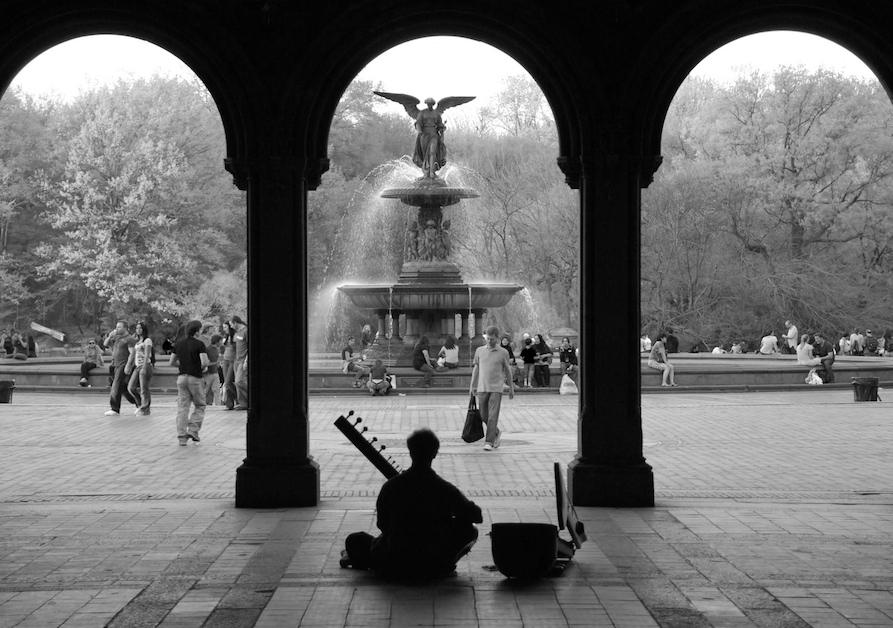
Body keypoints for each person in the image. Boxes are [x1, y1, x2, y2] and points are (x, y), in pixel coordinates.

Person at [340, 427, 482, 577]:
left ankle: (362, 560)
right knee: (470, 529)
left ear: (410, 452)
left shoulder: (391, 486)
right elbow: (476, 516)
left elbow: (382, 524)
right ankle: (444, 565)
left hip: (394, 560)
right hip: (432, 560)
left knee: (355, 540)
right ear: (435, 453)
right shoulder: (445, 489)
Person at [470, 325, 515, 451]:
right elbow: (476, 368)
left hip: (496, 388)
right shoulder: (479, 351)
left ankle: (489, 442)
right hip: (482, 387)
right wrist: (472, 385)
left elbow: (508, 370)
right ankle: (495, 431)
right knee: (483, 415)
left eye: (492, 339)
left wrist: (511, 388)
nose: (489, 341)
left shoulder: (503, 353)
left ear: (497, 338)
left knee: (492, 416)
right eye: (487, 338)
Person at [169, 320, 209, 446]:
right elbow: (204, 362)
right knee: (200, 405)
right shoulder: (199, 344)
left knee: (183, 407)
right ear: (197, 331)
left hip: (181, 378)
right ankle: (193, 429)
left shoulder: (179, 343)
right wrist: (203, 367)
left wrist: (183, 364)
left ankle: (181, 437)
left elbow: (172, 362)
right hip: (195, 378)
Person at [104, 321, 138, 417]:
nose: (116, 329)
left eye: (119, 327)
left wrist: (128, 365)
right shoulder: (117, 338)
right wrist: (110, 336)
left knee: (115, 385)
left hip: (123, 364)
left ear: (125, 328)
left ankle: (114, 408)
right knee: (123, 388)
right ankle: (138, 402)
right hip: (115, 364)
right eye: (116, 327)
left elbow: (132, 353)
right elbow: (105, 344)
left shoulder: (129, 339)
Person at [126, 321, 153, 416]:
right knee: (131, 387)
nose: (138, 330)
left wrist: (144, 367)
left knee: (144, 389)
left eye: (140, 328)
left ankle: (145, 409)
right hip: (137, 366)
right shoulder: (137, 341)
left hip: (145, 365)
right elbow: (134, 354)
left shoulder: (147, 340)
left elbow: (147, 355)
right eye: (137, 328)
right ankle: (140, 405)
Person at [231, 315, 249, 410]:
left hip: (243, 360)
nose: (231, 326)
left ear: (235, 323)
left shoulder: (246, 331)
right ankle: (243, 403)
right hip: (236, 360)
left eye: (231, 324)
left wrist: (247, 361)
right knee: (237, 382)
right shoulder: (237, 333)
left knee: (240, 381)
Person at [220, 321, 237, 410]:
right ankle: (229, 403)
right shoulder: (226, 337)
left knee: (228, 381)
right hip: (225, 361)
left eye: (225, 327)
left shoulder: (235, 337)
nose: (224, 329)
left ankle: (237, 397)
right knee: (226, 383)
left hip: (232, 361)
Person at [203, 334, 222, 405]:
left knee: (217, 390)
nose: (221, 343)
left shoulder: (218, 349)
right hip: (208, 373)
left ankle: (218, 405)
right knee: (206, 391)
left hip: (215, 372)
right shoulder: (207, 349)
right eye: (220, 341)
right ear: (216, 341)